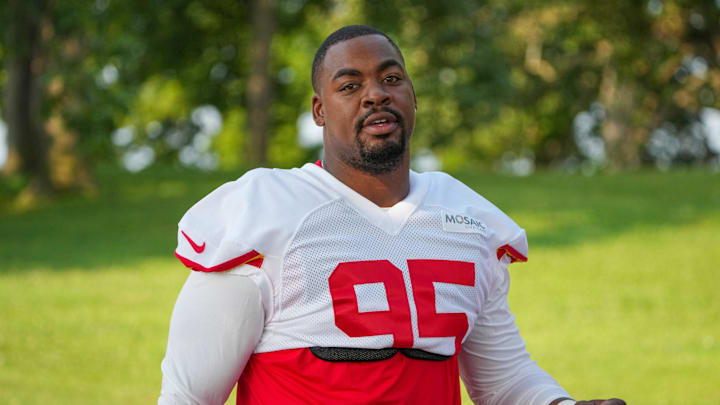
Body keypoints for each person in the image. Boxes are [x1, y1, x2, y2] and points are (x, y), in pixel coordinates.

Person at [158, 25, 626, 405]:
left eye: (392, 79)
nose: (376, 94)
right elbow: (187, 395)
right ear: (320, 111)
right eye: (350, 85)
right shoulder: (265, 210)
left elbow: (502, 383)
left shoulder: (466, 219)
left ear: (414, 98)